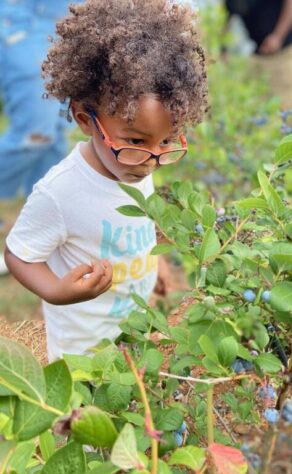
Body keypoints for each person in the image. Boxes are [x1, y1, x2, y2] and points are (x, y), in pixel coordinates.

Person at [4, 0, 208, 362]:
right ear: (85, 120)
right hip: (81, 354)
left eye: (166, 141)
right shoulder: (60, 192)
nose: (151, 161)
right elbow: (19, 255)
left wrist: (153, 262)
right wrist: (55, 291)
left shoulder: (135, 165)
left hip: (131, 332)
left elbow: (139, 220)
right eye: (135, 141)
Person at [0, 1, 81, 275]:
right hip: (29, 18)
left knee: (57, 137)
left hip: (73, 19)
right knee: (36, 134)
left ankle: (37, 241)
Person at [223, 0, 292, 109]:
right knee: (253, 106)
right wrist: (222, 51)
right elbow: (224, 22)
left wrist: (278, 36)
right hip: (259, 52)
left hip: (284, 51)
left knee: (285, 108)